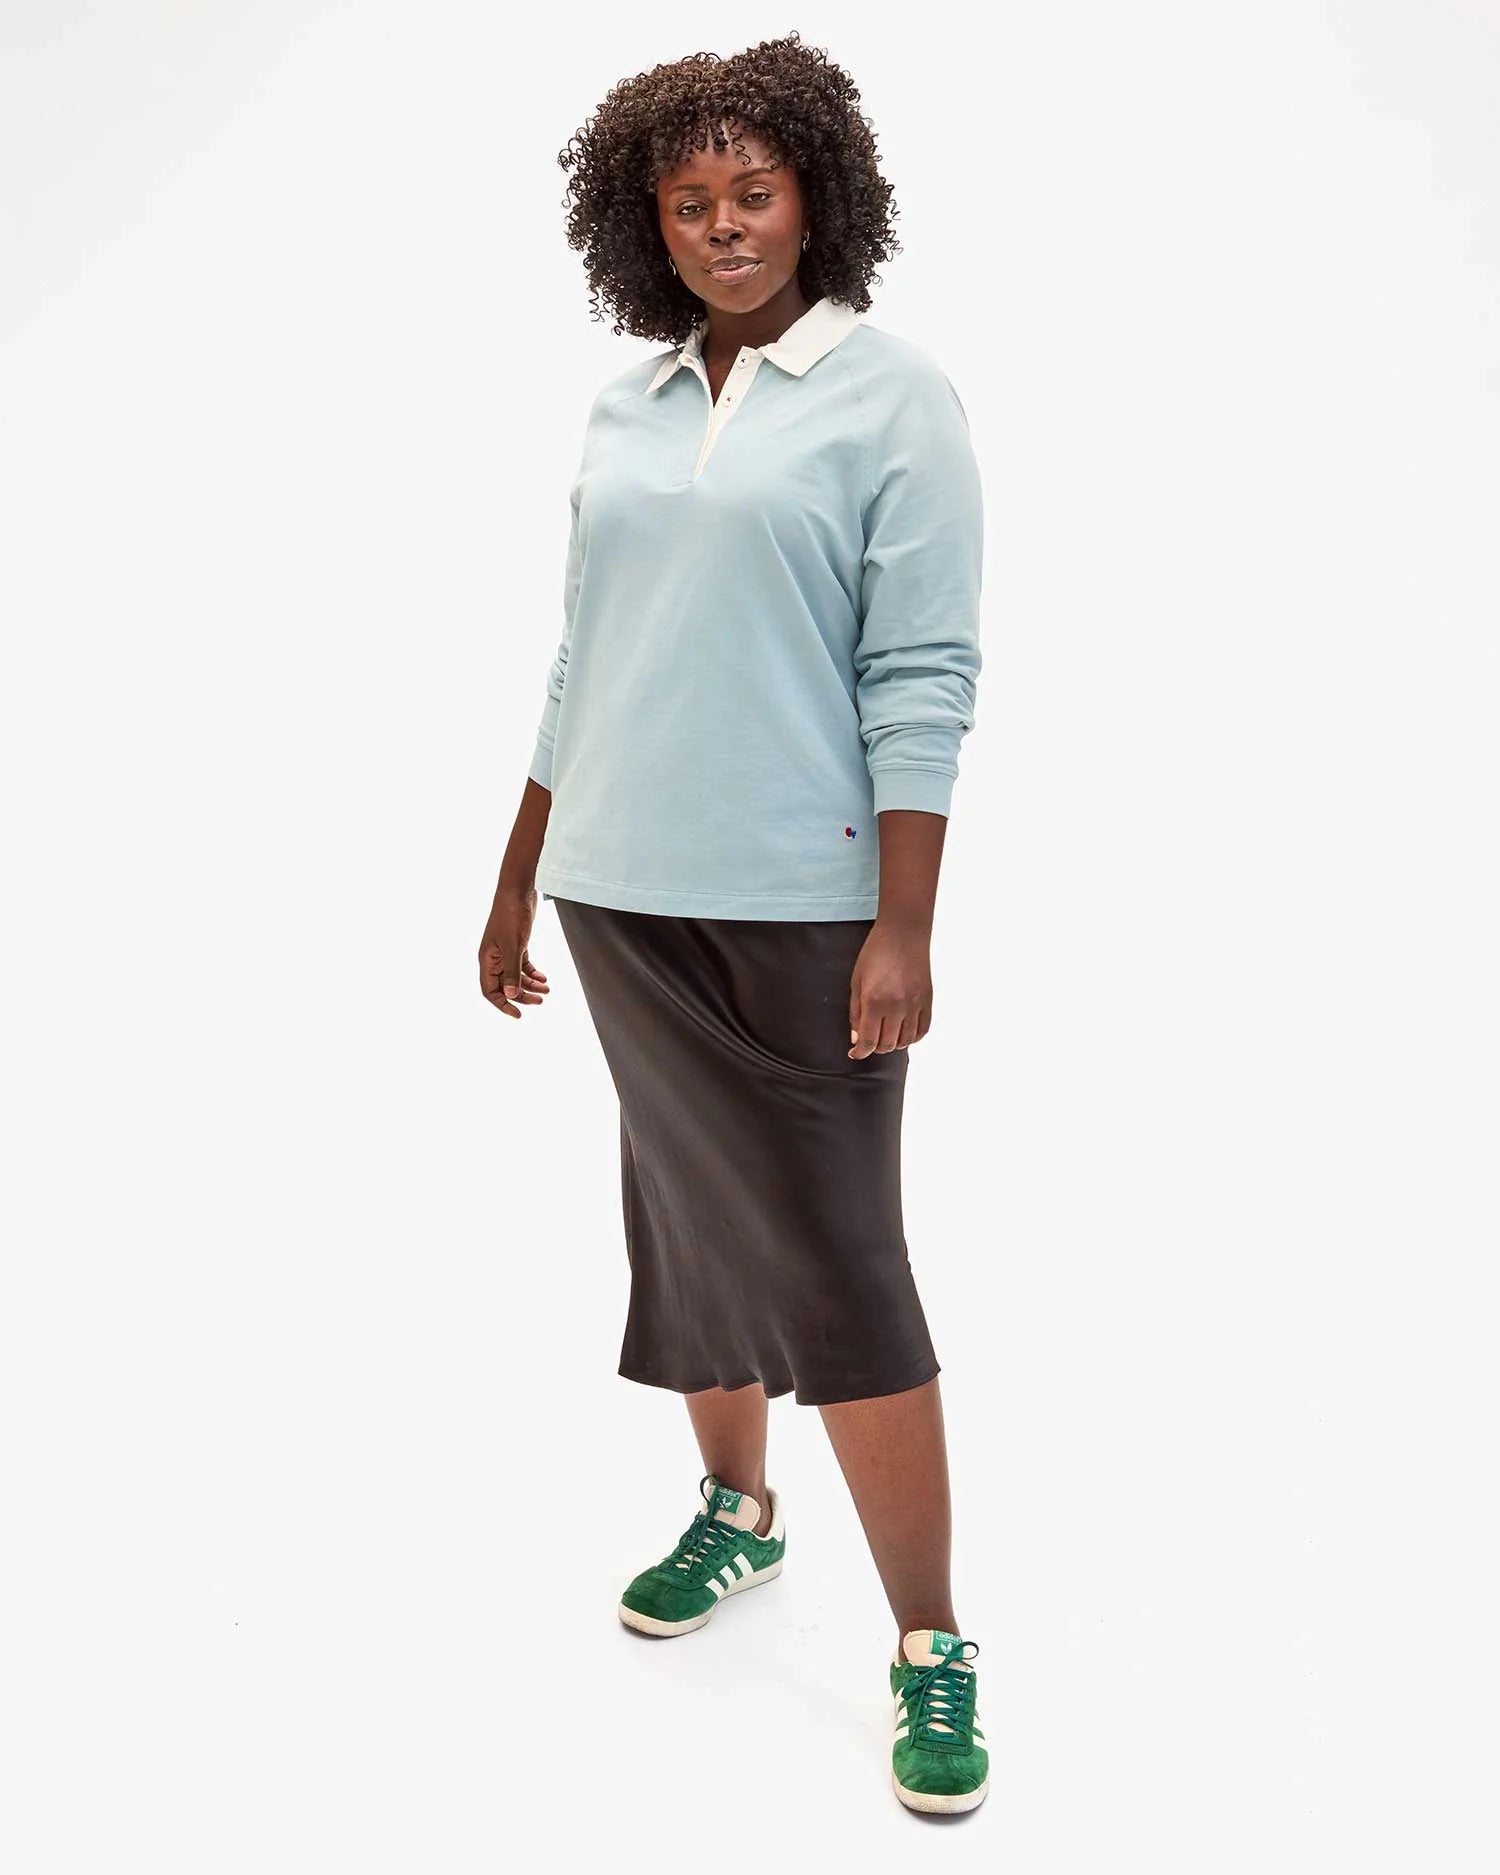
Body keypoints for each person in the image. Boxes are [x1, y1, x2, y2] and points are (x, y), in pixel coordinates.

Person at [479, 33, 987, 1816]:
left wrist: (902, 922)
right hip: (622, 886)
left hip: (799, 903)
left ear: (814, 195)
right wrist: (519, 865)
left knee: (845, 1270)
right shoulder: (624, 406)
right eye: (686, 200)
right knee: (687, 1226)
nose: (721, 224)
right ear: (648, 222)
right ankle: (737, 1510)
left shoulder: (890, 397)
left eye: (750, 190)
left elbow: (921, 673)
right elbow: (581, 652)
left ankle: (931, 1641)